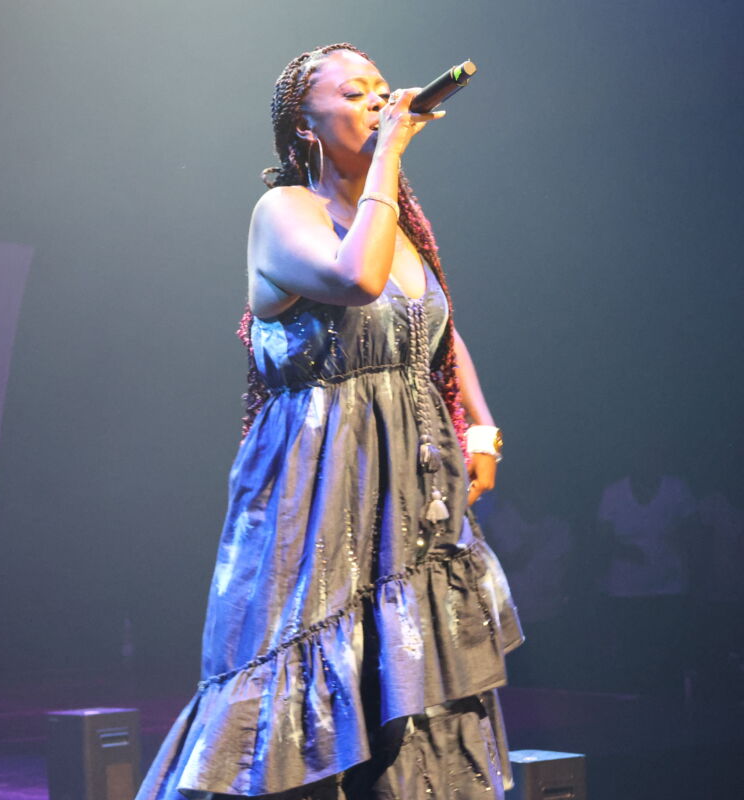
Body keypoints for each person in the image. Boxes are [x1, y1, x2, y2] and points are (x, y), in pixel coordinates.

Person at [135, 43, 523, 800]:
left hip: (412, 474)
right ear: (304, 129)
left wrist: (480, 428)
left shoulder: (394, 221)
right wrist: (390, 160)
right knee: (306, 647)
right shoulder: (284, 213)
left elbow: (434, 327)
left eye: (382, 87)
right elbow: (357, 280)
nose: (379, 100)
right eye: (354, 93)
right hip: (319, 473)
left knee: (413, 678)